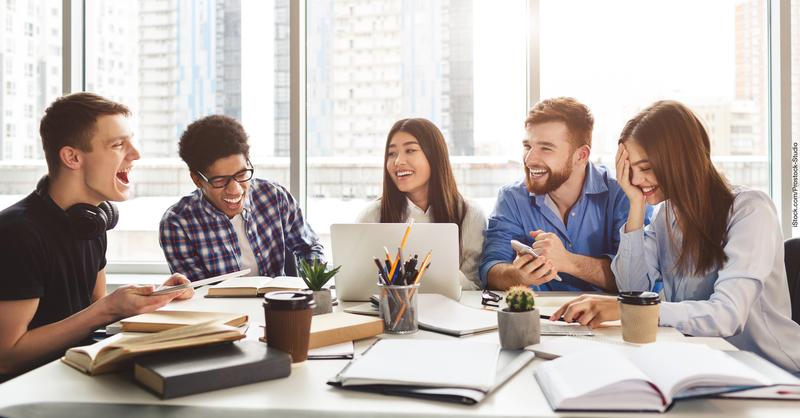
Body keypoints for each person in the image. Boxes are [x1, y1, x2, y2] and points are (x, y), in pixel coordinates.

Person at [552, 100, 800, 372]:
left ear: (680, 160)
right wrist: (636, 205)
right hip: (706, 365)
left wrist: (630, 310)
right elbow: (631, 288)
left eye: (645, 168)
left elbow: (728, 315)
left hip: (772, 371)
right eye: (630, 169)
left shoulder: (750, 210)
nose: (635, 180)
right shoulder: (665, 215)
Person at [0, 93, 192, 380]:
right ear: (72, 157)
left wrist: (153, 299)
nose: (135, 154)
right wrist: (107, 309)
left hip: (77, 376)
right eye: (118, 145)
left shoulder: (90, 222)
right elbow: (7, 357)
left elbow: (94, 312)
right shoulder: (17, 233)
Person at [480, 97, 645, 292]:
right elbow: (490, 268)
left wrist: (568, 261)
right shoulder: (512, 197)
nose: (530, 159)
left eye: (546, 148)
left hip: (607, 320)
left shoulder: (622, 195)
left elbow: (637, 281)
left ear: (581, 155)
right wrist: (518, 275)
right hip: (538, 318)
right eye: (527, 146)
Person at [160, 115, 324, 281]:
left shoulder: (275, 196)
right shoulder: (177, 223)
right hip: (220, 307)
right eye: (220, 180)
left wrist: (312, 284)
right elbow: (197, 293)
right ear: (197, 180)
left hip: (279, 304)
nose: (235, 189)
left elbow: (310, 248)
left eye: (241, 174)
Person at [356, 118, 485, 289]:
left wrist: (438, 271)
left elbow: (476, 286)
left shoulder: (469, 214)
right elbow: (358, 286)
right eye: (392, 153)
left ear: (434, 156)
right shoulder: (371, 216)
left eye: (410, 150)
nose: (398, 161)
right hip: (389, 312)